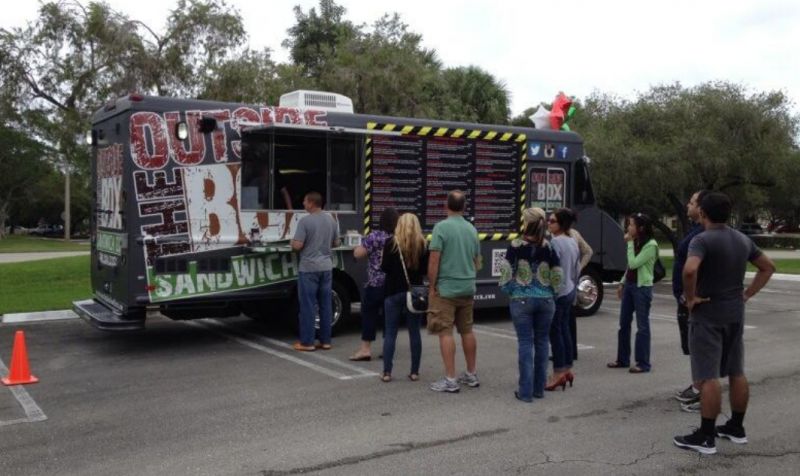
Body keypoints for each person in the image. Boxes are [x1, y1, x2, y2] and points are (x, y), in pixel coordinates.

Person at [673, 192, 775, 455]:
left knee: (708, 376)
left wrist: (691, 297)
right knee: (736, 371)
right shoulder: (742, 239)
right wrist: (748, 293)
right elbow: (768, 267)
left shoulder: (701, 239)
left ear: (703, 214)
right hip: (734, 312)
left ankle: (706, 436)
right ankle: (736, 427)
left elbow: (689, 269)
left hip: (708, 314)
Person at [499, 207, 561, 402]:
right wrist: (552, 293)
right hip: (546, 300)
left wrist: (510, 291)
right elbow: (557, 274)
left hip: (522, 299)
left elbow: (506, 273)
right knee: (543, 343)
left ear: (527, 223)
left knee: (525, 343)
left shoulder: (516, 245)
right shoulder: (549, 246)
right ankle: (538, 388)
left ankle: (525, 392)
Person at [427, 190, 482, 393]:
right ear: (464, 207)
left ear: (446, 206)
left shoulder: (441, 227)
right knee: (467, 330)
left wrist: (432, 287)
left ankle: (450, 379)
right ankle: (471, 373)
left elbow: (434, 260)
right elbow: (478, 261)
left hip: (447, 288)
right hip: (467, 287)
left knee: (445, 332)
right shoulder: (472, 229)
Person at [379, 213, 429, 382]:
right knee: (414, 332)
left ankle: (387, 372)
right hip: (414, 294)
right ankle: (414, 372)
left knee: (391, 332)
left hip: (392, 292)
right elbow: (424, 271)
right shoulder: (422, 244)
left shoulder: (390, 243)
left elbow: (384, 268)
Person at [607, 212, 658, 373]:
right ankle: (622, 358)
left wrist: (629, 243)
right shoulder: (635, 242)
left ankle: (643, 362)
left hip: (642, 288)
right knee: (623, 324)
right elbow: (629, 268)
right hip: (630, 285)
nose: (628, 228)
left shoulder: (651, 245)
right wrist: (622, 283)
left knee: (642, 326)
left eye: (631, 225)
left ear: (641, 228)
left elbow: (634, 263)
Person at [290, 191, 340, 352]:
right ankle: (325, 341)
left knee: (308, 306)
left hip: (309, 269)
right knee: (326, 305)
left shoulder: (305, 222)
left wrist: (292, 241)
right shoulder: (331, 220)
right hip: (326, 267)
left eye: (305, 201)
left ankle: (307, 343)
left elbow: (297, 245)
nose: (303, 204)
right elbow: (337, 242)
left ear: (311, 203)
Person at [672, 190, 708, 411]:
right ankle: (697, 386)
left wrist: (690, 295)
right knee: (693, 346)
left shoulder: (703, 235)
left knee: (701, 348)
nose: (687, 205)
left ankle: (702, 392)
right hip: (686, 299)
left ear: (702, 208)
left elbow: (693, 268)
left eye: (692, 202)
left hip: (696, 301)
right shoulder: (696, 231)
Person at [349, 208, 399, 361]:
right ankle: (387, 348)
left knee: (369, 314)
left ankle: (365, 349)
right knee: (389, 317)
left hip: (375, 283)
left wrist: (356, 248)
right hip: (392, 284)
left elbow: (359, 253)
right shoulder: (398, 238)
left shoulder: (374, 236)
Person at [546, 208, 581, 391]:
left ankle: (558, 372)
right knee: (565, 329)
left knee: (555, 331)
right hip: (570, 289)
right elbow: (576, 268)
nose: (548, 223)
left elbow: (554, 270)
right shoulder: (572, 241)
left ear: (561, 224)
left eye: (552, 221)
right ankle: (567, 367)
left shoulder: (555, 243)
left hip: (558, 292)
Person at [565, 226, 592, 360]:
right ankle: (572, 350)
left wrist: (579, 268)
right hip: (571, 279)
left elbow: (588, 251)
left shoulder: (569, 236)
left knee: (565, 318)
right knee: (570, 317)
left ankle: (567, 351)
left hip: (566, 280)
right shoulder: (575, 233)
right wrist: (579, 268)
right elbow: (588, 252)